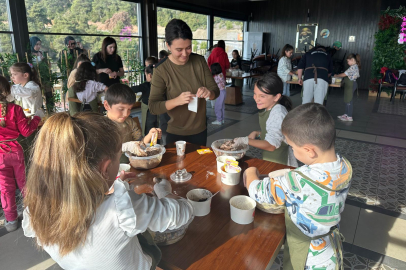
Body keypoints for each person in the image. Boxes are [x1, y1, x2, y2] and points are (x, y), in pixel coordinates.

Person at [22, 112, 193, 270]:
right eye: (119, 157)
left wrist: (116, 187)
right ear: (105, 168)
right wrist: (163, 190)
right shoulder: (121, 209)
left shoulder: (35, 209)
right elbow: (183, 213)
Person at [244, 103, 352, 270]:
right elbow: (315, 176)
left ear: (310, 151)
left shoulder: (298, 182)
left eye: (292, 147)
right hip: (330, 248)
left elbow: (257, 192)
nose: (292, 151)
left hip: (308, 255)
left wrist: (250, 171)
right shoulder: (344, 166)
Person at [149, 19, 219, 146]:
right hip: (173, 132)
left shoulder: (199, 61)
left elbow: (215, 91)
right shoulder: (161, 70)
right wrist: (177, 101)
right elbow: (153, 106)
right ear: (168, 46)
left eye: (188, 48)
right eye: (179, 49)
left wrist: (209, 92)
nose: (185, 54)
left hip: (199, 130)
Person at [0, 75, 41, 232]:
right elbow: (26, 131)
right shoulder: (15, 109)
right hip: (16, 151)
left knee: (5, 188)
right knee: (25, 184)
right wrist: (37, 117)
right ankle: (33, 215)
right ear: (7, 91)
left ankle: (11, 221)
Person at [233, 73, 297, 167]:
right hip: (270, 158)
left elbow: (271, 145)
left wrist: (244, 140)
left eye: (262, 96)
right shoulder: (271, 108)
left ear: (276, 97)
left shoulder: (278, 112)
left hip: (278, 161)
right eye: (255, 94)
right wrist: (258, 133)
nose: (256, 99)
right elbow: (277, 132)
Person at [104, 83, 161, 163]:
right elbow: (103, 152)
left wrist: (150, 135)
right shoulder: (101, 126)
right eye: (121, 109)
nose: (126, 114)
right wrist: (125, 147)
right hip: (112, 170)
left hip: (132, 164)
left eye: (129, 109)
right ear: (107, 105)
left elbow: (141, 143)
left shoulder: (129, 122)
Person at [131, 65, 159, 136]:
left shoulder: (146, 85)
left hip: (148, 110)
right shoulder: (160, 85)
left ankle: (148, 141)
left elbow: (134, 89)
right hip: (158, 109)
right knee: (157, 126)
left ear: (149, 75)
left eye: (145, 75)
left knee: (148, 127)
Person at [335, 53, 361, 122]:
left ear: (352, 60)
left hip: (351, 84)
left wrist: (336, 75)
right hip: (350, 84)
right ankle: (346, 114)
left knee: (349, 100)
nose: (347, 62)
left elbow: (344, 74)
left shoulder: (353, 67)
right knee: (347, 99)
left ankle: (349, 116)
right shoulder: (354, 66)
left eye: (348, 61)